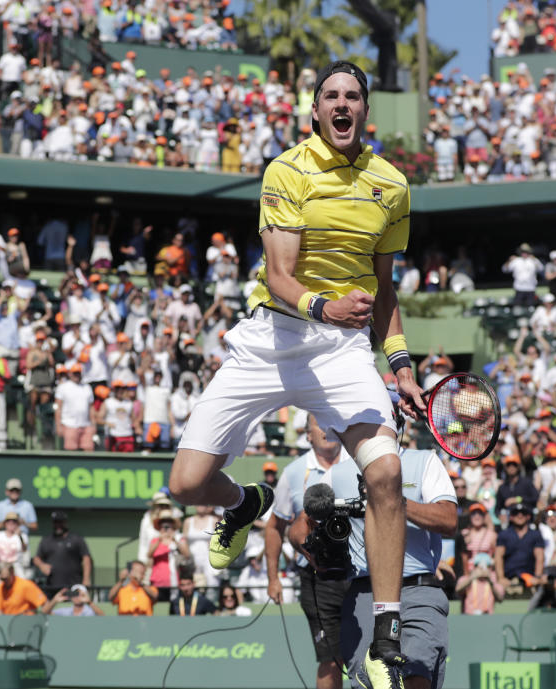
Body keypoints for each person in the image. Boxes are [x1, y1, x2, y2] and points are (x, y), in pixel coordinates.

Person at [167, 60, 421, 689]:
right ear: (314, 111)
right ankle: (245, 502)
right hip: (274, 336)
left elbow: (384, 292)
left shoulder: (391, 186)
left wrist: (402, 366)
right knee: (186, 483)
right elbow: (281, 275)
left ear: (366, 111)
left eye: (353, 97)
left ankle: (386, 636)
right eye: (330, 96)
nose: (342, 105)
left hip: (342, 351)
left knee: (386, 472)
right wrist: (324, 305)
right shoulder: (287, 169)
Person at [290, 443, 456, 689]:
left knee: (417, 675)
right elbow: (299, 527)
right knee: (369, 682)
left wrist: (391, 500)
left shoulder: (424, 461)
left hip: (417, 587)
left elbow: (448, 519)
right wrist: (316, 554)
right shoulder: (337, 473)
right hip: (363, 593)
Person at [265, 413, 348, 689]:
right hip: (317, 578)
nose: (326, 429)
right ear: (308, 434)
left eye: (331, 423)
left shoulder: (358, 463)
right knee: (330, 658)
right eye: (319, 424)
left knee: (372, 653)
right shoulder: (293, 472)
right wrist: (273, 578)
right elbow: (274, 527)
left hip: (360, 572)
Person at [33, 511, 92, 598]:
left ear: (65, 522)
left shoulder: (76, 539)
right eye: (56, 522)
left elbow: (86, 558)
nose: (58, 525)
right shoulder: (46, 540)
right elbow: (36, 558)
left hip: (73, 585)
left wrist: (86, 579)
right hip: (52, 586)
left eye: (60, 522)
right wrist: (42, 565)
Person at [494, 503, 545, 592]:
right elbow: (498, 557)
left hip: (529, 577)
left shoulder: (535, 535)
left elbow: (540, 557)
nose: (520, 515)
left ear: (528, 516)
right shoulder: (504, 534)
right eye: (516, 513)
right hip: (509, 578)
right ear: (511, 517)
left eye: (523, 513)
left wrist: (537, 577)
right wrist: (501, 578)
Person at [147, 512, 190, 601]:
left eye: (168, 526)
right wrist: (160, 540)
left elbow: (186, 554)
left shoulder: (179, 539)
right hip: (158, 581)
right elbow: (149, 554)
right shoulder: (155, 540)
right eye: (163, 526)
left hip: (175, 580)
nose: (166, 529)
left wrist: (174, 540)